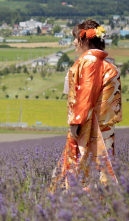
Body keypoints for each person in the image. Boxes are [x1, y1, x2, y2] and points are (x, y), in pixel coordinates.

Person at [50, 19, 122, 191]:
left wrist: (76, 121)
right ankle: (104, 202)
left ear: (85, 39)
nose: (74, 42)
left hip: (89, 124)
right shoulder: (106, 63)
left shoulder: (89, 61)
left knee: (81, 164)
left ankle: (78, 202)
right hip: (102, 124)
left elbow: (86, 92)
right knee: (102, 165)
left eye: (76, 38)